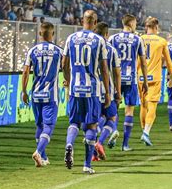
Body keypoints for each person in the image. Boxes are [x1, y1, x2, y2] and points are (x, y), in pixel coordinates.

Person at [62, 10, 111, 174]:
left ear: (82, 20)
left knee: (74, 122)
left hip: (75, 88)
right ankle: (87, 165)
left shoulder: (71, 38)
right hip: (92, 90)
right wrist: (108, 92)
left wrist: (68, 81)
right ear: (95, 22)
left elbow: (64, 64)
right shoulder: (99, 40)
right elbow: (104, 69)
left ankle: (69, 145)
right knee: (91, 125)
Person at [21, 22, 63, 167]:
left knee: (39, 125)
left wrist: (24, 91)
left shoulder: (32, 51)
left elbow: (25, 72)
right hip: (50, 95)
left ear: (40, 34)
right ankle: (38, 152)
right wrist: (68, 82)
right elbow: (67, 69)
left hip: (36, 94)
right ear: (53, 34)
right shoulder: (59, 51)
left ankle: (43, 158)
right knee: (48, 127)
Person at [108, 14, 148, 151]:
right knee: (129, 110)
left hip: (115, 78)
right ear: (131, 23)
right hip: (131, 79)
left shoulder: (113, 38)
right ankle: (125, 144)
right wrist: (145, 81)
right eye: (135, 22)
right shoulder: (137, 39)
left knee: (114, 109)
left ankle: (113, 130)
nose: (136, 25)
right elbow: (143, 62)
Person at [138, 17, 172, 146]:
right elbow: (168, 61)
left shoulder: (139, 39)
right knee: (152, 105)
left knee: (143, 105)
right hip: (155, 77)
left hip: (141, 77)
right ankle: (146, 133)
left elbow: (137, 60)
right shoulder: (161, 41)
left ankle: (143, 130)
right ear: (156, 27)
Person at [94, 22, 121, 160]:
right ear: (106, 34)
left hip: (91, 91)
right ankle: (99, 142)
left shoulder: (89, 47)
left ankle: (93, 155)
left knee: (94, 121)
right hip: (107, 90)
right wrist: (118, 92)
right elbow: (116, 74)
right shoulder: (111, 50)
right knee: (111, 118)